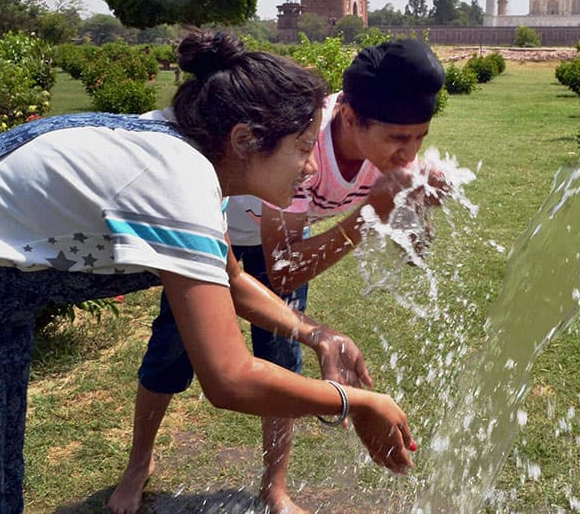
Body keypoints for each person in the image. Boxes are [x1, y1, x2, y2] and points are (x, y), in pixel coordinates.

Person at [0, 30, 416, 513]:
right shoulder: (176, 178)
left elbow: (234, 281)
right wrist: (356, 402)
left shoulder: (192, 162)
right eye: (300, 148)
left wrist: (317, 334)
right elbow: (229, 377)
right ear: (245, 140)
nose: (312, 165)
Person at [109, 39, 446, 514]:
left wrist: (411, 207)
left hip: (269, 230)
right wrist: (372, 212)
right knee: (172, 346)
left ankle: (275, 486)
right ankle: (138, 463)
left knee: (284, 356)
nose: (408, 154)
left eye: (419, 138)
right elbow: (285, 270)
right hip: (214, 224)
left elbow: (412, 245)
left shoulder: (386, 151)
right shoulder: (300, 141)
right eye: (397, 139)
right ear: (348, 117)